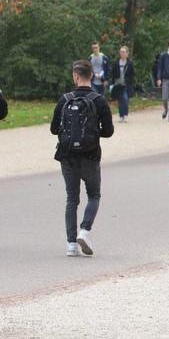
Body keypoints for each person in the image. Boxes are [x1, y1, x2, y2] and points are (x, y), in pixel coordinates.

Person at [50, 60, 115, 256]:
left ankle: (71, 245)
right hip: (90, 155)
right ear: (92, 76)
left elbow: (54, 129)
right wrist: (92, 134)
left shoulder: (64, 99)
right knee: (94, 195)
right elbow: (109, 131)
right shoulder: (99, 100)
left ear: (75, 76)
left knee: (72, 199)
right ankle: (85, 231)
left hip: (67, 156)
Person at [110, 46, 136, 122]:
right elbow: (113, 73)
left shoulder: (129, 63)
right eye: (121, 52)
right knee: (120, 100)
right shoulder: (116, 63)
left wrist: (129, 82)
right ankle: (121, 115)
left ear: (127, 53)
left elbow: (132, 74)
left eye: (124, 52)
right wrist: (112, 83)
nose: (122, 53)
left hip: (126, 85)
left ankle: (125, 115)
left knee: (125, 99)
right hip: (118, 84)